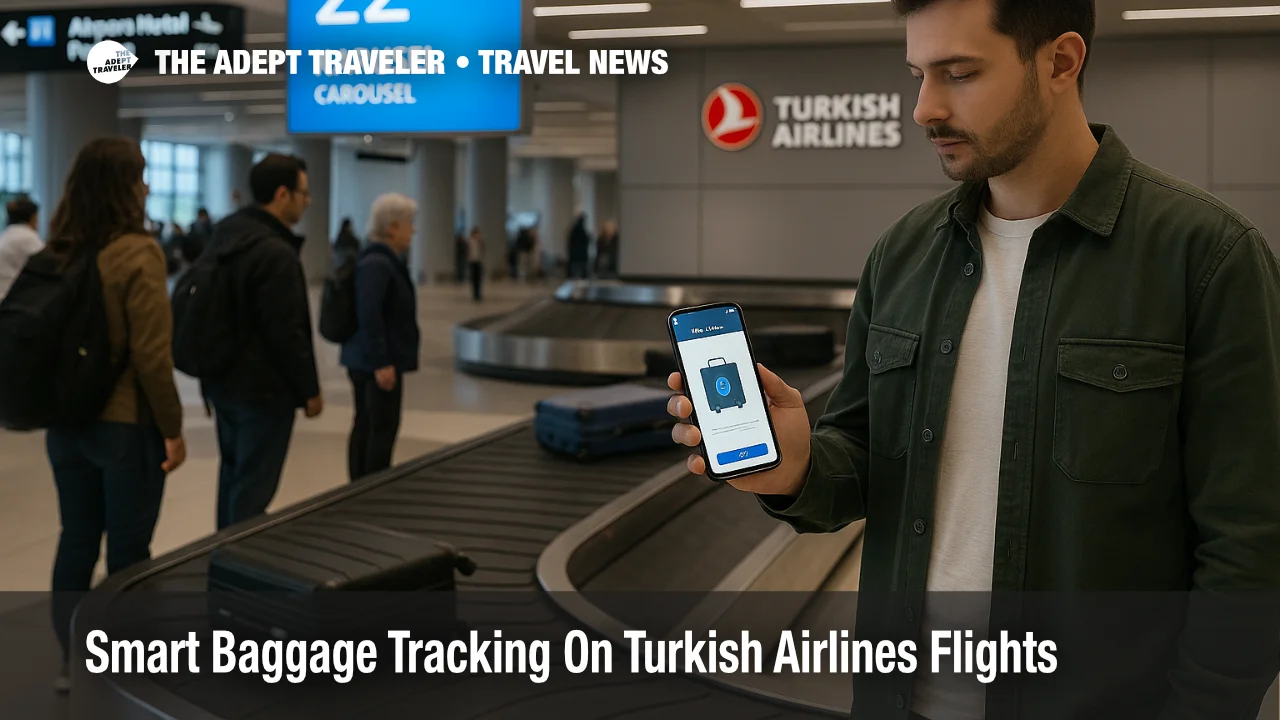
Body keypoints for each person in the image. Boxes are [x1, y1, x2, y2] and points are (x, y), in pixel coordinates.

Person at [667, 0, 1280, 718]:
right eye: (918, 75)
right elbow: (866, 460)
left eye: (958, 73)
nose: (925, 108)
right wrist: (800, 465)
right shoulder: (901, 256)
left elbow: (1252, 546)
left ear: (1060, 62)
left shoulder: (1205, 259)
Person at [42, 138, 186, 692]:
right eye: (140, 177)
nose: (147, 187)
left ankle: (70, 659)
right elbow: (152, 356)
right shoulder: (137, 252)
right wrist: (173, 429)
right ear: (123, 188)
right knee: (129, 552)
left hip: (66, 426)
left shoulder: (58, 249)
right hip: (125, 427)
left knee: (75, 539)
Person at [203, 153, 323, 531]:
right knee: (253, 490)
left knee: (233, 476)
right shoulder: (275, 252)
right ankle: (236, 570)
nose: (309, 201)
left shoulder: (225, 238)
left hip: (224, 383)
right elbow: (286, 331)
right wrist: (309, 390)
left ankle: (219, 556)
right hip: (265, 393)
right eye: (304, 193)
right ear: (283, 194)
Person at [340, 193, 420, 481]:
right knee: (378, 428)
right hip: (375, 363)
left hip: (368, 359)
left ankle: (362, 486)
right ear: (392, 228)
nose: (413, 230)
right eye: (409, 224)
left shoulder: (377, 260)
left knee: (368, 424)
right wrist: (381, 362)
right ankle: (371, 486)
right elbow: (370, 313)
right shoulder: (378, 264)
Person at [0, 196, 42, 301]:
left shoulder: (6, 235)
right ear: (33, 218)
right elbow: (49, 263)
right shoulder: (26, 236)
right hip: (11, 300)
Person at [566, 213, 591, 279]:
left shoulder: (574, 230)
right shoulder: (581, 230)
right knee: (580, 273)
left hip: (575, 255)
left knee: (574, 273)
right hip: (580, 255)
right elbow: (586, 241)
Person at [467, 226, 484, 302]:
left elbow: (482, 249)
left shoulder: (479, 241)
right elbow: (468, 251)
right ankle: (474, 294)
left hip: (478, 261)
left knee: (479, 279)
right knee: (474, 279)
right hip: (472, 261)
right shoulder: (470, 241)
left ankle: (478, 294)